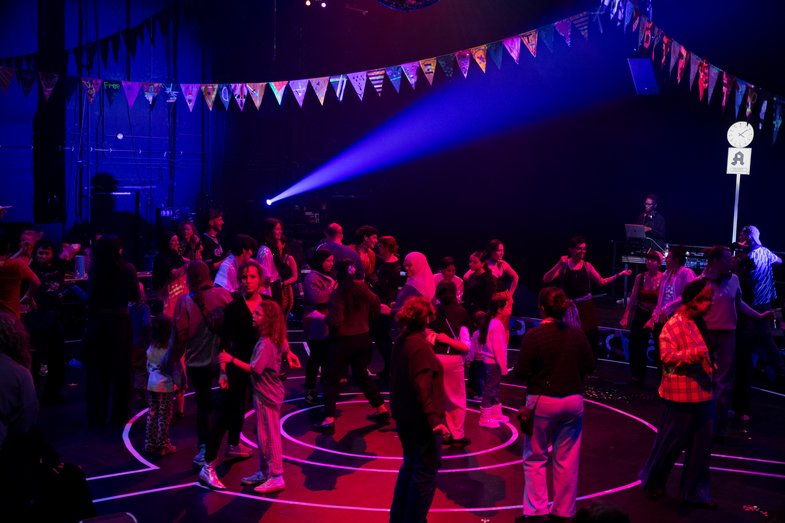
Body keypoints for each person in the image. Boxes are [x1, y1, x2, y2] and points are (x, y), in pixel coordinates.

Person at [513, 287, 595, 522]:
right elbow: (590, 366)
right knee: (567, 459)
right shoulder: (577, 335)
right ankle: (563, 511)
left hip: (543, 401)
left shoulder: (535, 336)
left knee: (535, 456)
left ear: (541, 308)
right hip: (573, 400)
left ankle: (536, 512)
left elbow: (521, 371)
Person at [639, 279, 717, 509]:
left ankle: (694, 493)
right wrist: (694, 354)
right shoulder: (673, 325)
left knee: (701, 448)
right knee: (672, 444)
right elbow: (666, 357)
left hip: (703, 393)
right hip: (680, 397)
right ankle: (655, 482)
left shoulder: (699, 323)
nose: (710, 303)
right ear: (693, 301)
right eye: (706, 299)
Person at [215, 300, 301, 493]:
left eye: (258, 314)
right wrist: (289, 353)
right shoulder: (272, 337)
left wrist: (230, 359)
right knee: (263, 435)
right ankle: (264, 471)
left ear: (268, 319)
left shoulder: (266, 344)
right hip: (266, 393)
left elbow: (255, 369)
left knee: (269, 436)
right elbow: (284, 344)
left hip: (266, 394)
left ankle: (277, 476)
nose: (253, 316)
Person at [197, 259, 264, 476]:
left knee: (257, 414)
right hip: (238, 364)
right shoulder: (234, 307)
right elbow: (225, 341)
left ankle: (239, 448)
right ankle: (208, 463)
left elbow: (277, 333)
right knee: (227, 412)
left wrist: (286, 352)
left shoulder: (268, 304)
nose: (248, 281)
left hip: (261, 367)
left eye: (252, 276)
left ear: (260, 279)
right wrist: (223, 371)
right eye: (244, 277)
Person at [700, 245, 773, 438]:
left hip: (728, 334)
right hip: (706, 333)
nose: (730, 262)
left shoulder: (734, 280)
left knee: (723, 382)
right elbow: (688, 302)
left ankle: (718, 427)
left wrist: (759, 315)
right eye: (727, 259)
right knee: (704, 379)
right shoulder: (701, 281)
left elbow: (739, 303)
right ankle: (702, 424)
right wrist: (666, 309)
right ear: (716, 262)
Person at [389, 296, 449, 523]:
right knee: (425, 474)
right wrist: (434, 420)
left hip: (405, 417)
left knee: (409, 466)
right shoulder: (420, 347)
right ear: (427, 319)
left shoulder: (401, 341)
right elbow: (422, 386)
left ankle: (399, 518)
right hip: (422, 421)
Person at [312, 259, 390, 433]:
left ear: (337, 273)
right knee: (362, 375)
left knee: (331, 379)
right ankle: (381, 409)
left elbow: (336, 320)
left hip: (343, 341)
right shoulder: (362, 288)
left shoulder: (339, 292)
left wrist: (320, 317)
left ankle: (329, 419)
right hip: (363, 338)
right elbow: (376, 302)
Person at [169, 260, 233, 467]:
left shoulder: (184, 302)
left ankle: (205, 447)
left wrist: (171, 362)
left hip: (197, 362)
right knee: (229, 403)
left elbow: (180, 337)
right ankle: (232, 443)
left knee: (204, 406)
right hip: (223, 360)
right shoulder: (223, 295)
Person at [83, 234, 141, 428]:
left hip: (98, 323)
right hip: (120, 322)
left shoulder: (95, 269)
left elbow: (91, 298)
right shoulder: (128, 269)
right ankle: (119, 415)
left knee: (97, 371)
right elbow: (134, 295)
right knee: (121, 370)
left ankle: (97, 417)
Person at [543, 236, 631, 358]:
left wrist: (620, 274)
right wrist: (559, 264)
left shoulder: (587, 266)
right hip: (568, 308)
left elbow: (601, 282)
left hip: (586, 308)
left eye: (584, 249)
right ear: (571, 250)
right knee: (569, 338)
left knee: (590, 339)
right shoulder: (564, 265)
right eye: (579, 249)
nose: (582, 251)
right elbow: (546, 279)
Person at [736, 225, 785, 382]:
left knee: (759, 337)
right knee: (761, 337)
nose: (739, 238)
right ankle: (767, 368)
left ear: (749, 237)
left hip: (753, 302)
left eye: (742, 235)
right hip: (765, 301)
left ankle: (778, 370)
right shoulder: (765, 252)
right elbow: (779, 261)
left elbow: (744, 279)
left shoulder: (749, 257)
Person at [429, 281, 471, 446]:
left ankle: (442, 432)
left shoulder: (433, 312)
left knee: (437, 398)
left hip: (434, 358)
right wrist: (447, 340)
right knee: (456, 399)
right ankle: (458, 435)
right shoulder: (462, 312)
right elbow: (466, 346)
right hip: (452, 359)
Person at [620, 250, 663, 386]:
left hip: (657, 315)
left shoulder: (664, 278)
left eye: (654, 260)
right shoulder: (640, 277)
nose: (650, 262)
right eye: (648, 259)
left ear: (659, 263)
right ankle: (637, 375)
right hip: (642, 312)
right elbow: (633, 297)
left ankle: (663, 379)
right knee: (636, 345)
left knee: (661, 347)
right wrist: (626, 316)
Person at [302, 249, 335, 405]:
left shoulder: (328, 276)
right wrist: (332, 288)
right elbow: (316, 298)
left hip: (327, 324)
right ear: (320, 261)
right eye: (328, 260)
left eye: (332, 260)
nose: (331, 263)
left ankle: (325, 385)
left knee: (327, 357)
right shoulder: (312, 277)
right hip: (316, 324)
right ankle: (309, 389)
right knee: (315, 358)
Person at [370, 235, 403, 381]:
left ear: (385, 247)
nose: (378, 248)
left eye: (380, 245)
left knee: (381, 336)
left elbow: (385, 285)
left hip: (384, 301)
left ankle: (389, 367)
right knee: (382, 336)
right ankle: (389, 367)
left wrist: (371, 282)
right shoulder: (394, 262)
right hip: (387, 299)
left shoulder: (390, 265)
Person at [478, 294, 513, 429]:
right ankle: (485, 417)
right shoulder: (497, 325)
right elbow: (499, 349)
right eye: (506, 307)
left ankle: (495, 413)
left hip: (492, 362)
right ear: (499, 309)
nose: (509, 309)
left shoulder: (493, 322)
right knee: (490, 389)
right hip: (493, 362)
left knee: (495, 388)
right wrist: (503, 366)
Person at [144, 315, 177, 456]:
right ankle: (163, 445)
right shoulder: (168, 349)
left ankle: (150, 443)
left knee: (152, 414)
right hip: (165, 385)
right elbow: (171, 368)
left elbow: (148, 366)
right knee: (164, 415)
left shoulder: (151, 347)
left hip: (152, 384)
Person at [256, 218, 298, 318]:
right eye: (277, 229)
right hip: (270, 290)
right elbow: (265, 278)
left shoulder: (272, 250)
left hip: (276, 287)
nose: (280, 231)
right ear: (269, 231)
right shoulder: (265, 251)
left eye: (280, 229)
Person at [0, 230, 40, 318]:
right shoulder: (16, 261)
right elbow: (5, 263)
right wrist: (20, 251)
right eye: (22, 240)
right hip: (12, 311)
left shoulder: (38, 257)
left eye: (27, 241)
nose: (24, 243)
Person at [152, 231, 188, 318]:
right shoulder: (161, 257)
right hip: (168, 295)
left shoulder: (177, 256)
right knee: (171, 317)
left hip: (180, 293)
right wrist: (188, 266)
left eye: (177, 240)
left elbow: (189, 261)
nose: (177, 243)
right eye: (173, 240)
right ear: (166, 242)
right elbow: (173, 274)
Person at [201, 209, 227, 276]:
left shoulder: (219, 238)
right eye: (219, 220)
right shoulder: (205, 240)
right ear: (211, 222)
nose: (222, 222)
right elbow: (208, 267)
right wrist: (226, 259)